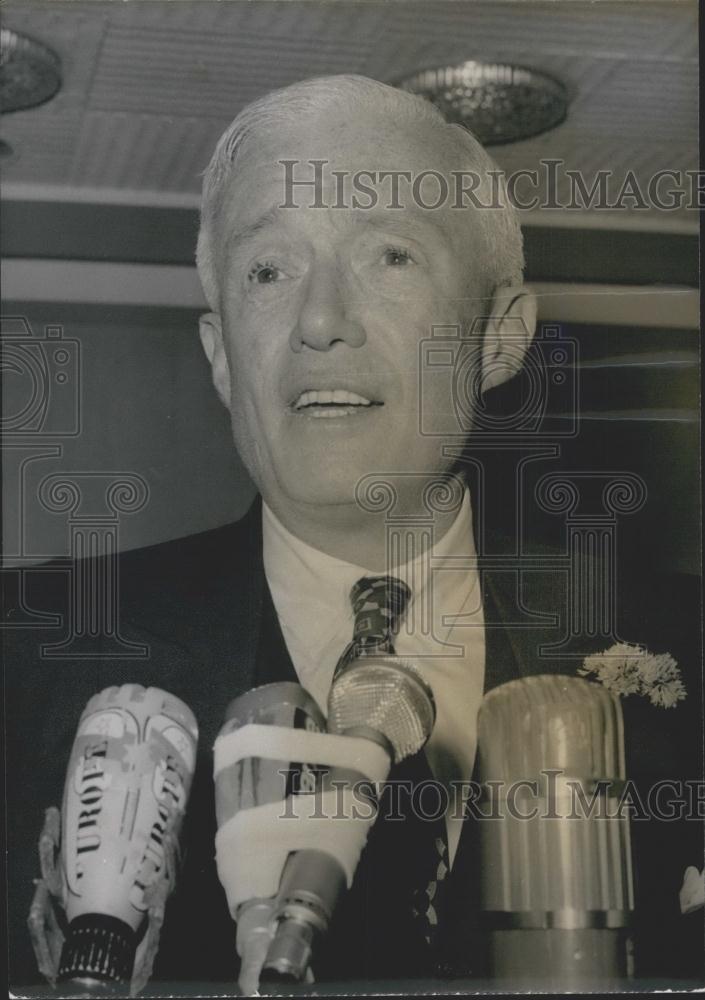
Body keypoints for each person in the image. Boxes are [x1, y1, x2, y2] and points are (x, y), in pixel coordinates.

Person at [5, 75, 702, 994]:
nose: (322, 323)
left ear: (499, 339)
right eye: (269, 271)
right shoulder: (28, 656)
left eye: (390, 258)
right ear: (220, 355)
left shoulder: (681, 645)